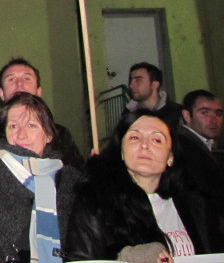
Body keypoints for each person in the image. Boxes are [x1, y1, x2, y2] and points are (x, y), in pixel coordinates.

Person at [0, 93, 80, 263]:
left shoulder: (70, 179)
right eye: (13, 126)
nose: (21, 135)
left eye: (31, 125)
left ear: (48, 134)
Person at [65, 110, 211, 261]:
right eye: (135, 137)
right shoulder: (97, 201)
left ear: (170, 157)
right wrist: (125, 257)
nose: (145, 145)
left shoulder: (194, 204)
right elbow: (80, 258)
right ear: (121, 151)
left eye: (157, 140)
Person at [177, 89, 224, 251]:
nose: (213, 120)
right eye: (204, 113)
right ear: (187, 116)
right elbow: (200, 205)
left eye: (218, 113)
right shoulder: (184, 147)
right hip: (203, 241)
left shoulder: (201, 146)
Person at [125, 62, 183, 129]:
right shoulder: (128, 113)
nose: (131, 85)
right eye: (131, 80)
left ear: (155, 84)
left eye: (138, 80)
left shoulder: (176, 113)